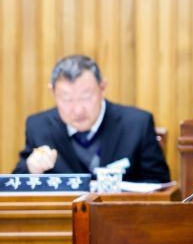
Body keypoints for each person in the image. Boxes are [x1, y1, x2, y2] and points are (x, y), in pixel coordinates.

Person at [13, 55, 171, 183]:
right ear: (53, 92)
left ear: (102, 88)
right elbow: (13, 185)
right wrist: (32, 169)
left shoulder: (137, 124)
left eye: (86, 97)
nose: (78, 110)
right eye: (67, 99)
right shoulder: (38, 127)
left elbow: (160, 183)